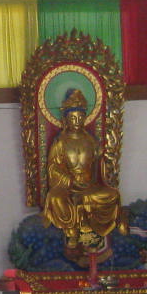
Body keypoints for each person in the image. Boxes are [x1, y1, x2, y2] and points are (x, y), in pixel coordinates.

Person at [42, 88, 124, 258]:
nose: (77, 120)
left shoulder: (91, 141)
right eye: (73, 117)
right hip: (68, 187)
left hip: (89, 186)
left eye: (80, 117)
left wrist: (104, 160)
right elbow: (52, 167)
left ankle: (97, 229)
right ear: (65, 119)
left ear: (86, 118)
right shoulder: (60, 142)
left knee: (112, 195)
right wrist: (69, 180)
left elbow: (98, 168)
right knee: (56, 198)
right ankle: (71, 231)